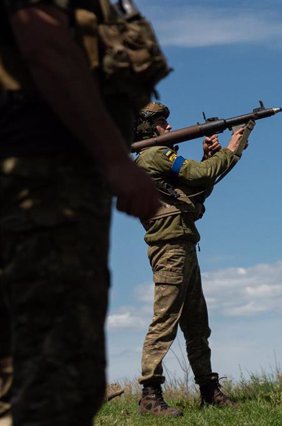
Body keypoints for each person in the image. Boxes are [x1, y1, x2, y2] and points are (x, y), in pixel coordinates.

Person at [0, 0, 162, 424]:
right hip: (45, 178)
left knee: (24, 368)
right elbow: (46, 46)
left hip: (46, 177)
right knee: (59, 375)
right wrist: (114, 159)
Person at [134, 102, 251, 417]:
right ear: (147, 128)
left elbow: (195, 192)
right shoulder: (155, 155)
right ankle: (150, 395)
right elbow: (200, 175)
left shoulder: (155, 159)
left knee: (197, 324)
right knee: (165, 321)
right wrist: (233, 148)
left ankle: (208, 390)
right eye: (162, 123)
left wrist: (212, 156)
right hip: (170, 248)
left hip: (181, 245)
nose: (169, 127)